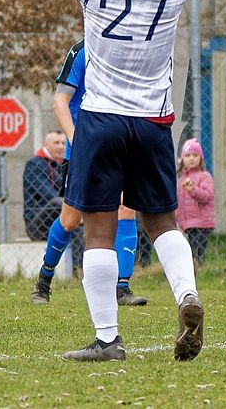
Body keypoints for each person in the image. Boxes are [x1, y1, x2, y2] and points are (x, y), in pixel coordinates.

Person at [44, 0, 215, 361]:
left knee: (98, 231)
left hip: (101, 119)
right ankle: (186, 295)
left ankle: (107, 340)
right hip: (152, 121)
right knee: (162, 222)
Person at [30, 40, 147, 307]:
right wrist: (76, 139)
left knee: (126, 208)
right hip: (82, 150)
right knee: (70, 220)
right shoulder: (81, 51)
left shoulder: (129, 49)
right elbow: (60, 102)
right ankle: (44, 279)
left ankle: (121, 287)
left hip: (119, 145)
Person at [176, 138, 215, 265]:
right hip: (187, 223)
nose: (191, 158)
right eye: (188, 155)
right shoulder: (181, 179)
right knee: (189, 251)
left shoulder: (204, 176)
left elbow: (206, 196)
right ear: (182, 158)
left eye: (195, 155)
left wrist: (192, 190)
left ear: (201, 158)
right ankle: (194, 268)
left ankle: (198, 269)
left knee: (197, 251)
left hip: (201, 223)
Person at [22, 131, 66, 241]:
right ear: (46, 144)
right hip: (37, 225)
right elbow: (48, 194)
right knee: (59, 201)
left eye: (63, 143)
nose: (61, 147)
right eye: (56, 143)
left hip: (59, 219)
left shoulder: (61, 165)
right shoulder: (35, 164)